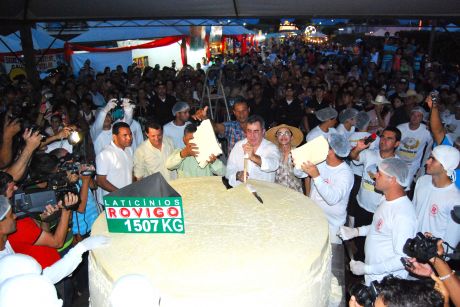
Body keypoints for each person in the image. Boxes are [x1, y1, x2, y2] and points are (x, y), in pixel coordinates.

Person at [339, 158, 417, 285]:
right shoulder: (385, 199)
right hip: (374, 274)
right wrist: (356, 231)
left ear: (392, 180)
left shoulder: (403, 214)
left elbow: (402, 259)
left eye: (379, 174)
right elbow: (379, 226)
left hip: (387, 282)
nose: (375, 176)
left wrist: (367, 269)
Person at [348, 127, 402, 260]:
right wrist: (358, 148)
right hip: (362, 205)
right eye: (383, 137)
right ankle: (359, 260)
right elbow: (353, 156)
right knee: (360, 239)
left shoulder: (398, 165)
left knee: (374, 242)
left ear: (397, 144)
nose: (384, 141)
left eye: (389, 138)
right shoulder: (370, 154)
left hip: (380, 210)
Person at [294, 133, 354, 243]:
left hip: (332, 225)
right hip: (314, 217)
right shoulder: (321, 162)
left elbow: (332, 199)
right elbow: (299, 174)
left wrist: (316, 176)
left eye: (326, 145)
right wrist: (299, 163)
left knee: (330, 257)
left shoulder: (345, 174)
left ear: (333, 151)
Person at [413, 145, 460, 250]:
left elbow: (451, 241)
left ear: (445, 165)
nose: (427, 162)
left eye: (433, 159)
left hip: (431, 255)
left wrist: (438, 259)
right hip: (413, 244)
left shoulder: (455, 199)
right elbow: (412, 212)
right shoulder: (422, 181)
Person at [225, 115, 280, 187]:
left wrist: (253, 157)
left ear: (263, 132)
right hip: (241, 192)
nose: (252, 135)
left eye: (256, 131)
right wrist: (238, 175)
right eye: (249, 131)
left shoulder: (271, 147)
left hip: (264, 193)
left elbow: (274, 165)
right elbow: (228, 172)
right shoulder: (238, 146)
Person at [96, 122, 133, 204]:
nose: (129, 138)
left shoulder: (129, 149)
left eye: (130, 134)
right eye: (125, 135)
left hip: (127, 199)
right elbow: (100, 181)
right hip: (111, 202)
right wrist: (120, 193)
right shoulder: (105, 154)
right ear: (114, 137)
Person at [396, 106, 433, 188]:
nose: (415, 118)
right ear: (410, 115)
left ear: (422, 118)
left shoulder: (426, 131)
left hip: (412, 165)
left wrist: (423, 166)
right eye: (413, 115)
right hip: (397, 161)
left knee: (405, 187)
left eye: (418, 116)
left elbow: (432, 145)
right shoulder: (400, 128)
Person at [265, 124, 303, 193]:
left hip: (296, 193)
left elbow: (307, 176)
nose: (283, 136)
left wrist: (308, 195)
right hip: (278, 193)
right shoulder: (273, 153)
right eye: (280, 134)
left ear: (291, 137)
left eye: (287, 133)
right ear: (276, 137)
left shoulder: (298, 152)